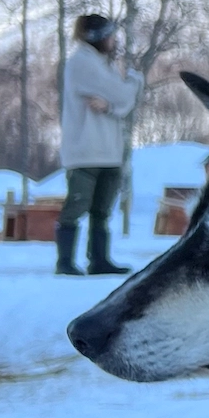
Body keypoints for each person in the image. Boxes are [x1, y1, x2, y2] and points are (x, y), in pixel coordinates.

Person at [59, 14, 142, 276]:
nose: (113, 40)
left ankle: (99, 259)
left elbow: (123, 103)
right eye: (108, 35)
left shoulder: (102, 65)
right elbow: (124, 94)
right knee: (76, 207)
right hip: (85, 151)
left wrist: (112, 106)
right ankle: (65, 262)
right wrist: (132, 81)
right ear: (95, 38)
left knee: (102, 211)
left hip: (109, 151)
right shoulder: (81, 63)